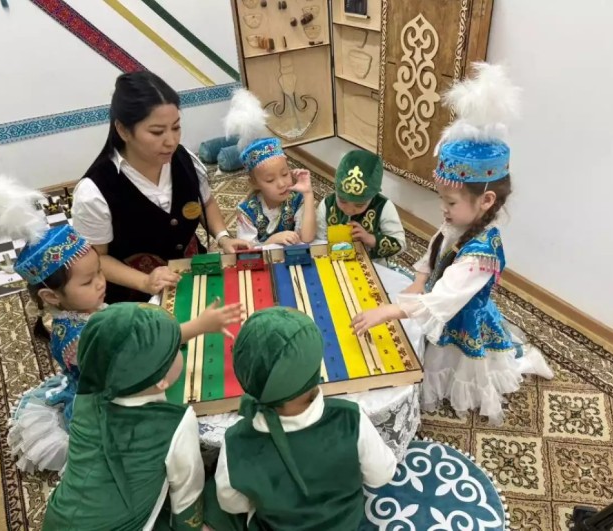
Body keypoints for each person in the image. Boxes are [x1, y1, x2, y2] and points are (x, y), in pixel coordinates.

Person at [351, 63, 553, 426]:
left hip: (461, 316)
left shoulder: (480, 257)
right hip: (446, 305)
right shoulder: (459, 222)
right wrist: (418, 280)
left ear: (486, 201)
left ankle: (511, 369)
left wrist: (390, 311)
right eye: (442, 200)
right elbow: (436, 250)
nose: (443, 210)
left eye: (451, 202)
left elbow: (442, 299)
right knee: (427, 336)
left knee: (459, 365)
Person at [43, 300, 241, 530]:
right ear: (162, 380)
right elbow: (187, 493)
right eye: (177, 348)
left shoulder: (85, 395)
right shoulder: (176, 423)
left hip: (57, 519)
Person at [204, 307, 397, 531]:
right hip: (344, 524)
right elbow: (381, 475)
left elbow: (231, 503)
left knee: (209, 494)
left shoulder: (236, 441)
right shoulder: (350, 418)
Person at [73, 71, 251, 304]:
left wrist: (223, 237)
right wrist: (145, 281)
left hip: (192, 275)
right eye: (157, 132)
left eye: (176, 128)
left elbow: (206, 202)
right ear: (123, 130)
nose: (171, 141)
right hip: (136, 297)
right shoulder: (94, 192)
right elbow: (97, 259)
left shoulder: (185, 160)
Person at [0, 176, 106, 473]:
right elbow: (115, 373)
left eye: (99, 272)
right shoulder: (78, 338)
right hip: (101, 397)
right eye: (87, 281)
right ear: (51, 296)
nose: (100, 283)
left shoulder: (83, 310)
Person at [223, 89, 316, 246]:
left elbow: (307, 238)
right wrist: (272, 241)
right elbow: (247, 251)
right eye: (270, 180)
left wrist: (308, 193)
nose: (281, 184)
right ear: (254, 182)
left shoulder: (295, 199)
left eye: (285, 174)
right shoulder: (248, 212)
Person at [315, 150, 406, 265]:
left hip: (372, 264)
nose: (348, 210)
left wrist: (371, 239)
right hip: (335, 263)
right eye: (342, 201)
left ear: (372, 197)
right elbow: (319, 240)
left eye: (359, 205)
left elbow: (400, 243)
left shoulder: (383, 207)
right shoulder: (327, 204)